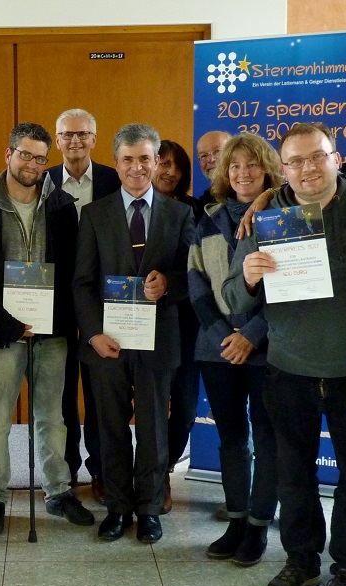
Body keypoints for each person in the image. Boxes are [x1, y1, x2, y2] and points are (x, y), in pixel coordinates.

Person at [223, 123, 346, 586]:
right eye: (295, 162)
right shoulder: (267, 215)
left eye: (318, 158)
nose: (308, 169)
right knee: (294, 474)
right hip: (288, 368)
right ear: (283, 169)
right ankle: (301, 558)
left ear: (338, 159)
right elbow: (231, 297)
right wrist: (248, 278)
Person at [0, 122, 94, 537]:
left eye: (40, 158)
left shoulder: (60, 205)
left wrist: (58, 321)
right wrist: (11, 325)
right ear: (8, 154)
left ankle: (58, 490)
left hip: (51, 332)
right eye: (25, 155)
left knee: (52, 416)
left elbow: (72, 270)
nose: (33, 164)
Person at [73, 123, 194, 544]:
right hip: (108, 343)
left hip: (159, 341)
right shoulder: (95, 213)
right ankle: (118, 507)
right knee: (110, 427)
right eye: (128, 159)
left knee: (154, 429)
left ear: (157, 160)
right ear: (117, 163)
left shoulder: (180, 214)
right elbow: (83, 282)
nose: (137, 167)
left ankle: (148, 508)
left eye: (146, 158)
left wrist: (170, 285)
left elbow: (191, 275)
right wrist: (92, 333)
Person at [188, 132, 280, 566]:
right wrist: (225, 333)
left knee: (267, 437)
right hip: (217, 347)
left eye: (252, 165)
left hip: (269, 347)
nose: (243, 174)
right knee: (231, 438)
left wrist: (253, 333)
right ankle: (237, 519)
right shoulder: (208, 219)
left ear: (268, 169)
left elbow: (293, 288)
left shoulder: (286, 216)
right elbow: (196, 282)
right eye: (235, 166)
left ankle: (260, 526)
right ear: (225, 172)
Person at [46, 107, 122, 502]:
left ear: (95, 138)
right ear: (56, 140)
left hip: (102, 304)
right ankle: (66, 470)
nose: (74, 141)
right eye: (67, 135)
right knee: (59, 393)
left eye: (83, 134)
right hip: (55, 303)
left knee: (99, 392)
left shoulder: (113, 179)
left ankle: (102, 469)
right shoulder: (41, 182)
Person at [152, 138, 202, 512]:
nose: (168, 171)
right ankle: (140, 475)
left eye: (176, 165)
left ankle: (164, 470)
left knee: (183, 407)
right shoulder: (121, 209)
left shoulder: (194, 210)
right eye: (161, 162)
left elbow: (199, 269)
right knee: (137, 406)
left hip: (184, 324)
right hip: (131, 323)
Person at [195, 130, 231, 207]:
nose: (211, 160)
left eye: (217, 152)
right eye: (204, 156)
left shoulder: (245, 193)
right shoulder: (203, 204)